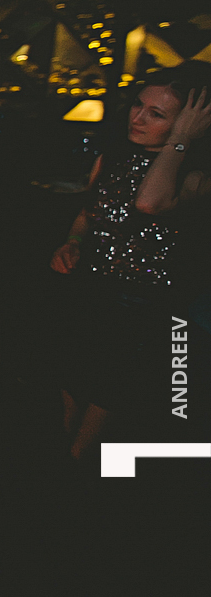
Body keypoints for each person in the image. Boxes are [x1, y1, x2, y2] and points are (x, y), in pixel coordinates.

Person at [50, 63, 211, 459]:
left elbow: (149, 202)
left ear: (189, 125)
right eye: (138, 105)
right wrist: (72, 242)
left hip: (143, 307)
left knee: (108, 394)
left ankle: (79, 470)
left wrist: (180, 140)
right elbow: (88, 213)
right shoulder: (112, 157)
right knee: (68, 383)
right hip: (89, 289)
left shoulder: (194, 176)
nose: (137, 118)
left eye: (157, 114)